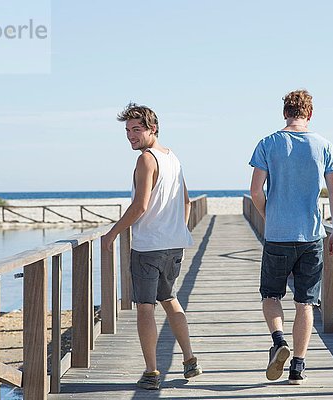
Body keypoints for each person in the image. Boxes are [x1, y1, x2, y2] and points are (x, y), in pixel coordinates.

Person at [101, 102, 202, 390]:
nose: (131, 135)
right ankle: (190, 359)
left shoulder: (146, 159)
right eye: (127, 130)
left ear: (152, 129)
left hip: (148, 247)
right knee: (169, 299)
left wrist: (112, 233)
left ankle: (151, 372)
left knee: (145, 307)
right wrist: (176, 229)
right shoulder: (173, 157)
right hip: (173, 245)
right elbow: (187, 202)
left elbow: (140, 205)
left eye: (137, 129)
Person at [249, 89, 333, 384]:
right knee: (305, 302)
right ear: (309, 114)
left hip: (278, 236)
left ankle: (279, 342)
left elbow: (255, 191)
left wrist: (269, 216)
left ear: (284, 113)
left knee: (271, 295)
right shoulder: (324, 145)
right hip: (312, 236)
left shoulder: (268, 143)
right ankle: (298, 366)